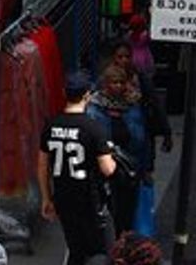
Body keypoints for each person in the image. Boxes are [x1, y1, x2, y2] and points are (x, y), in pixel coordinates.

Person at [38, 71, 117, 265]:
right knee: (102, 252)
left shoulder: (51, 126)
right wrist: (114, 158)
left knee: (75, 248)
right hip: (90, 200)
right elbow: (108, 169)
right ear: (87, 95)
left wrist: (47, 198)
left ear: (65, 92)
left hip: (64, 199)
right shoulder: (93, 128)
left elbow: (42, 166)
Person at [87, 64, 148, 234]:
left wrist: (145, 169)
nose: (119, 86)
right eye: (114, 82)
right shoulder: (95, 108)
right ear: (106, 84)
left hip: (128, 169)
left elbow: (141, 140)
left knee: (126, 215)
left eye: (122, 82)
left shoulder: (133, 105)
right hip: (103, 169)